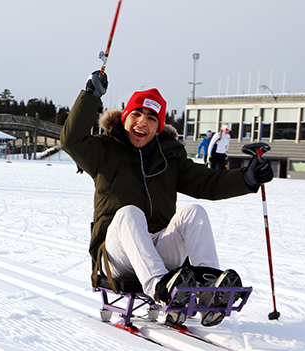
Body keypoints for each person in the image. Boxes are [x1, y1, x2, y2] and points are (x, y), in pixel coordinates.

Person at [60, 71, 273, 327]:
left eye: (151, 118)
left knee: (193, 212)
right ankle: (162, 290)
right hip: (116, 254)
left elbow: (208, 182)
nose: (142, 122)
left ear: (159, 126)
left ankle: (209, 290)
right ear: (125, 117)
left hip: (159, 249)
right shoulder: (104, 150)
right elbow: (71, 141)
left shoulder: (170, 157)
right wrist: (90, 97)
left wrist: (247, 178)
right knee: (129, 212)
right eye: (136, 114)